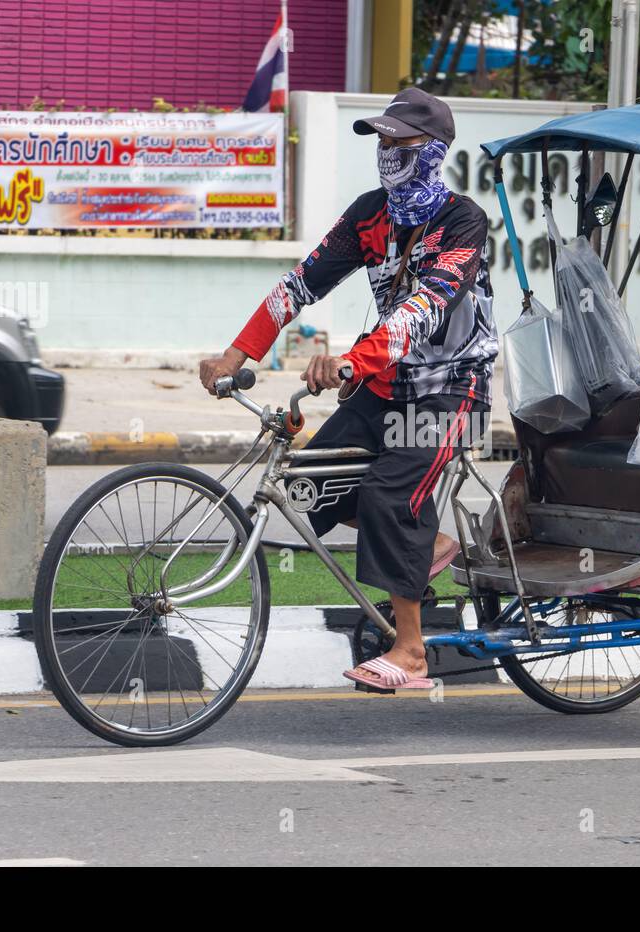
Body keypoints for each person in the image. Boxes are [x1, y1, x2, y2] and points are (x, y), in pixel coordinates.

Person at [198, 88, 496, 692]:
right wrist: (236, 352)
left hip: (451, 390)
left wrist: (350, 363)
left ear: (433, 152)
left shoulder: (465, 221)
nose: (386, 153)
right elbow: (302, 282)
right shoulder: (370, 216)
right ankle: (428, 542)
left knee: (389, 497)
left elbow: (424, 309)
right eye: (381, 142)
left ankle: (411, 654)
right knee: (310, 490)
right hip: (385, 385)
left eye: (400, 143)